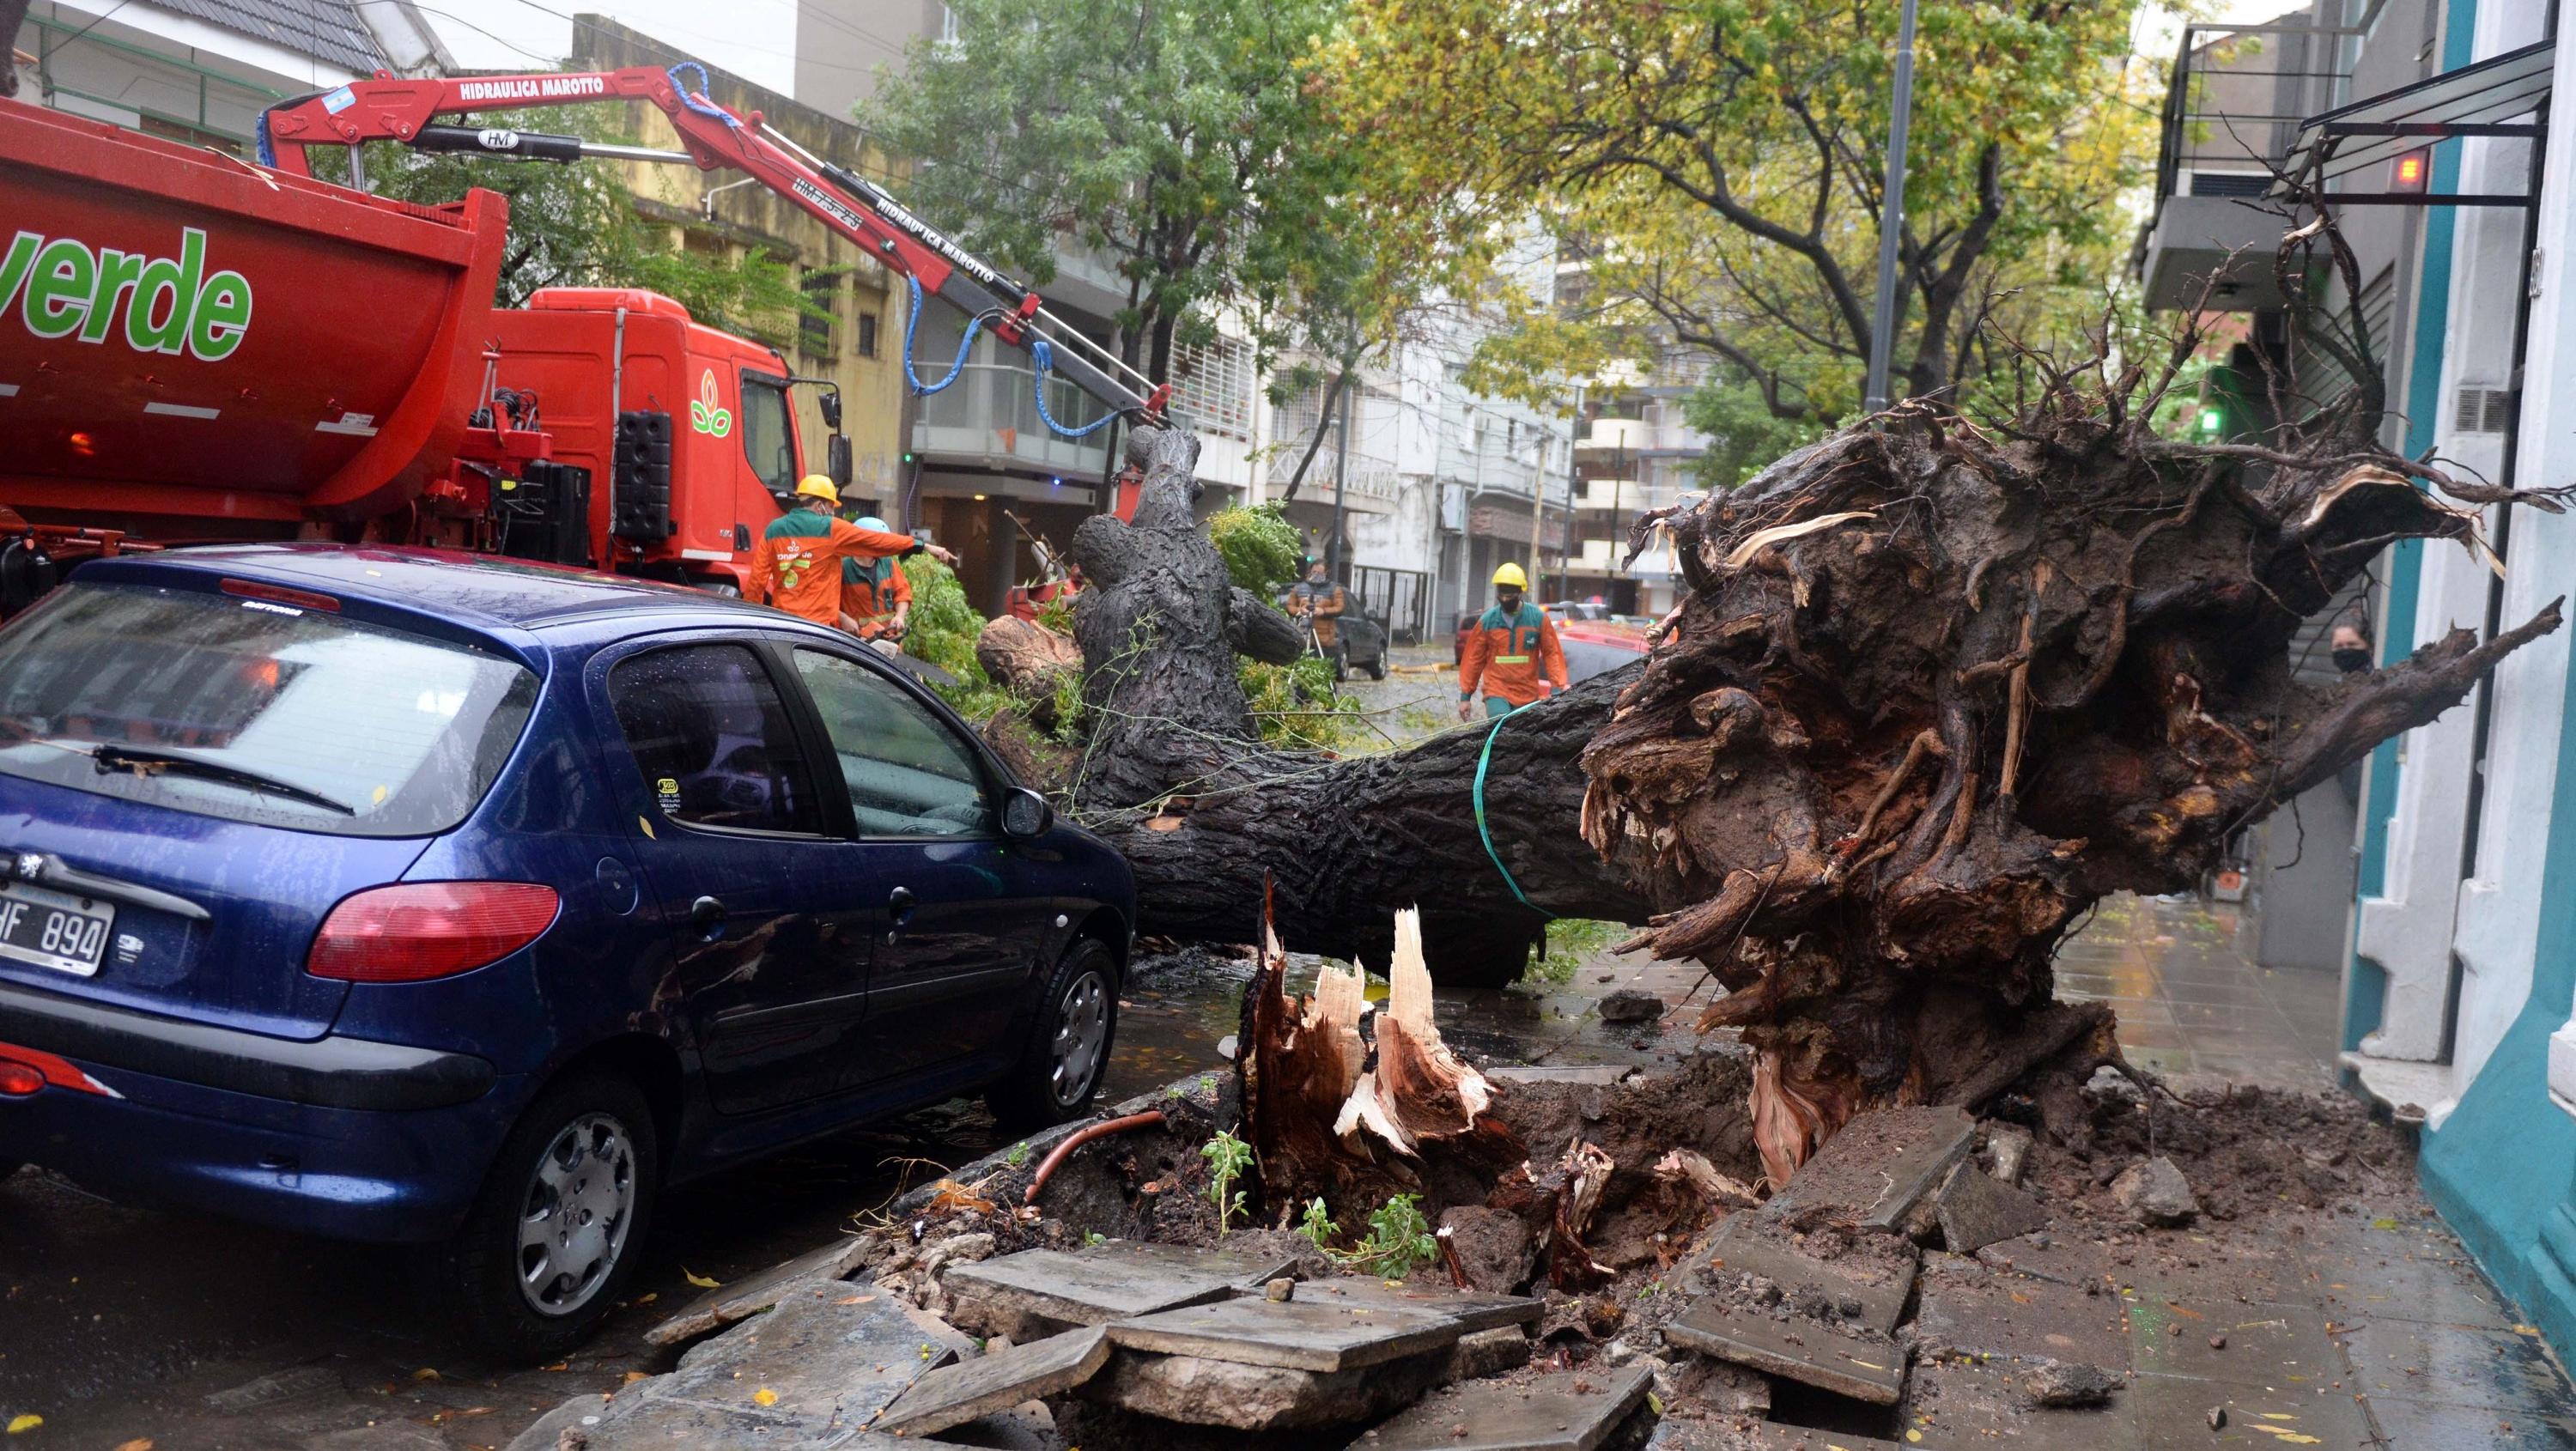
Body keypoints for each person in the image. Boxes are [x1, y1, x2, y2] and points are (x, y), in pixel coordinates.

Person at [750, 477, 955, 628]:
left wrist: (751, 623)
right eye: (831, 507)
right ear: (821, 506)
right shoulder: (831, 528)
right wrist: (922, 545)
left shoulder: (773, 530)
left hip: (782, 624)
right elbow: (877, 541)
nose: (832, 512)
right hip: (816, 628)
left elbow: (756, 583)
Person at [1459, 562, 1567, 720]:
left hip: (1527, 694)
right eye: (1501, 596)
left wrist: (1556, 688)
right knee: (1501, 726)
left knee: (1520, 736)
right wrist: (1465, 697)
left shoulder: (1537, 619)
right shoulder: (1487, 622)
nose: (1504, 599)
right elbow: (1473, 660)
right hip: (1496, 690)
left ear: (1520, 592)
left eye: (1509, 596)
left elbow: (1552, 654)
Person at [838, 514, 914, 649]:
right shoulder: (843, 569)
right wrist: (843, 619)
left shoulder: (888, 564)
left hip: (890, 641)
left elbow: (902, 594)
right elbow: (828, 603)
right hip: (858, 643)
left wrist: (900, 616)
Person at [1285, 559, 1349, 656]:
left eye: (1320, 572)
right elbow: (1290, 606)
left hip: (1325, 639)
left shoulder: (1334, 589)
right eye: (1314, 572)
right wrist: (1301, 611)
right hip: (1302, 634)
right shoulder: (1299, 588)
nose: (1316, 575)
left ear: (1326, 573)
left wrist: (1323, 611)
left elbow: (1340, 607)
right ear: (1310, 571)